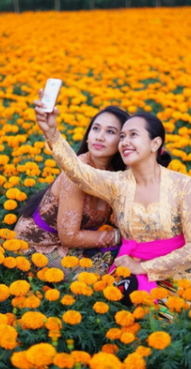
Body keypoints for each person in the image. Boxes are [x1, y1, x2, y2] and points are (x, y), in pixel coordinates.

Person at [35, 90, 191, 303]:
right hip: (130, 268)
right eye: (123, 136)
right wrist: (51, 132)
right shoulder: (118, 183)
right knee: (117, 309)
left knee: (168, 320)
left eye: (133, 135)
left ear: (155, 144)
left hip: (178, 271)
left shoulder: (182, 184)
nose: (125, 141)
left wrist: (145, 267)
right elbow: (77, 171)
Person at [15, 106, 128, 279]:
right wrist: (118, 236)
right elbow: (69, 237)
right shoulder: (76, 173)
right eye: (96, 128)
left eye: (110, 131)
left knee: (132, 260)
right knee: (100, 278)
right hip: (38, 245)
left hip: (76, 243)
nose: (99, 136)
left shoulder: (116, 173)